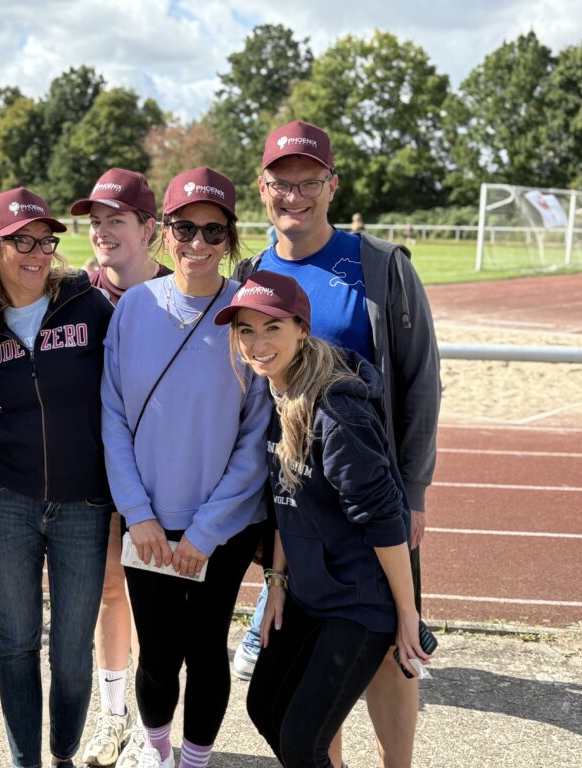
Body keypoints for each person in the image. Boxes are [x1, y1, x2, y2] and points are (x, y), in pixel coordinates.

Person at [233, 120, 440, 768]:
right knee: (314, 659)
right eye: (281, 184)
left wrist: (413, 490)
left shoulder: (378, 266)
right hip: (300, 502)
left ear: (332, 185)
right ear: (262, 188)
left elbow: (420, 380)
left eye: (308, 182)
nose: (294, 196)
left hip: (369, 490)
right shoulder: (251, 271)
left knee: (390, 650)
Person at [215, 270, 430, 768]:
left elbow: (384, 518)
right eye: (246, 330)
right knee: (264, 706)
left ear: (302, 330)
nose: (258, 344)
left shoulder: (337, 414)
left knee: (302, 741)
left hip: (359, 603)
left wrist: (407, 614)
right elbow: (286, 499)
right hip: (309, 594)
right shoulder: (277, 393)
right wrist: (276, 583)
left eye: (272, 328)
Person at [101, 168, 271, 768]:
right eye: (184, 228)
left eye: (213, 231)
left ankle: (195, 760)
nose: (198, 243)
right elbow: (112, 417)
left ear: (230, 238)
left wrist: (205, 531)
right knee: (157, 653)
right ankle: (155, 752)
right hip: (149, 521)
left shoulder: (247, 313)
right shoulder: (133, 308)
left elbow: (256, 436)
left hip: (221, 528)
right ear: (163, 232)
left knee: (205, 649)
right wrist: (138, 514)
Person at [0, 187, 115, 768]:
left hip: (85, 503)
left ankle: (62, 752)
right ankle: (24, 760)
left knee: (72, 653)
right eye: (21, 242)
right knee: (17, 642)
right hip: (9, 498)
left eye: (44, 241)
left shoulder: (88, 305)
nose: (36, 254)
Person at [68, 167, 170, 768]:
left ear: (148, 228)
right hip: (95, 471)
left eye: (117, 220)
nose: (103, 231)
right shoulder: (75, 293)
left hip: (165, 475)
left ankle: (157, 730)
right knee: (110, 589)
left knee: (161, 601)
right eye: (96, 222)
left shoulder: (179, 293)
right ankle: (113, 718)